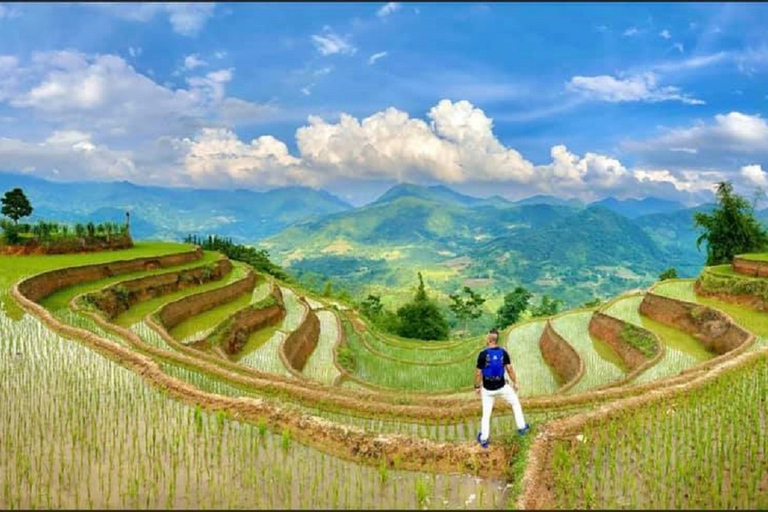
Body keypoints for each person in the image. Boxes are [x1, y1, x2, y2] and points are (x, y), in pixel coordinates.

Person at [475, 327, 529, 448]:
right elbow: (509, 369)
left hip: (488, 390)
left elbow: (478, 373)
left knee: (486, 414)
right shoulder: (503, 353)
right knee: (515, 403)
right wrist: (515, 382)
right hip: (502, 387)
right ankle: (521, 428)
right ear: (496, 340)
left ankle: (484, 439)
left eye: (486, 336)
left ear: (489, 339)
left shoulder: (483, 355)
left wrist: (477, 386)